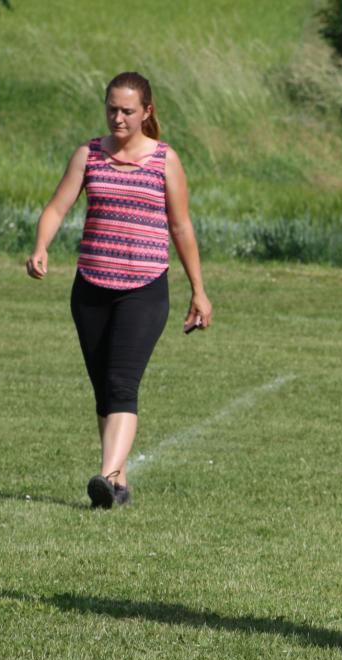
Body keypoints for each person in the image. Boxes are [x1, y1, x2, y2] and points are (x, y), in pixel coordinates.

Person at [26, 71, 212, 508]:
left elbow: (181, 227)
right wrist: (41, 246)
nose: (118, 118)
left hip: (144, 289)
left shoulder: (165, 160)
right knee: (104, 389)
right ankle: (119, 486)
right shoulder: (88, 154)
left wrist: (198, 290)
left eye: (127, 110)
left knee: (122, 383)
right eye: (112, 109)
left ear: (147, 112)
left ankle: (107, 476)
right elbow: (57, 207)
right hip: (91, 287)